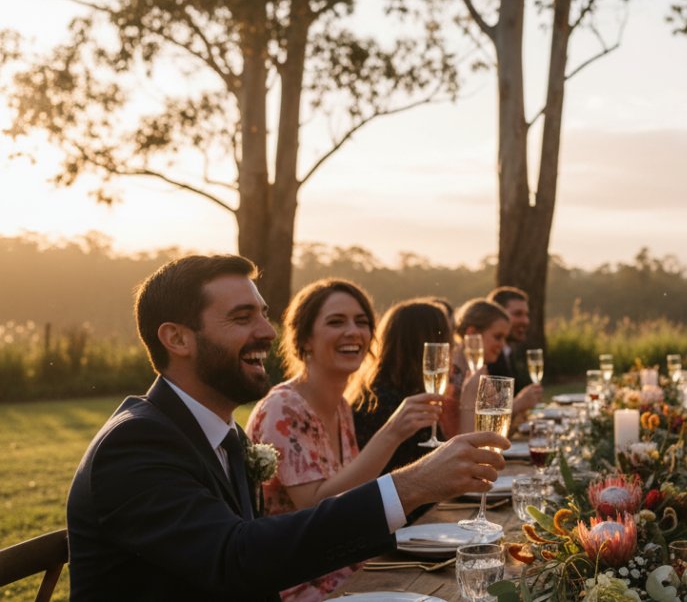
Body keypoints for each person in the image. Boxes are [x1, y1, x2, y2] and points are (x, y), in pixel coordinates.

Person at [67, 255, 509, 601]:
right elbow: (237, 558)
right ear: (177, 338)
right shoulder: (134, 444)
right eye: (243, 318)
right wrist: (410, 485)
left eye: (263, 314)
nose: (266, 330)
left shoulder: (224, 434)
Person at [247, 279, 442, 601]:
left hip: (349, 568)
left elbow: (348, 494)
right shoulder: (283, 408)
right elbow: (315, 507)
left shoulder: (341, 406)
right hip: (300, 581)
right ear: (304, 339)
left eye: (362, 322)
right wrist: (392, 433)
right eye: (336, 321)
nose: (353, 331)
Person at [351, 299, 454, 475]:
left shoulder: (376, 391)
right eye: (448, 341)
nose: (454, 349)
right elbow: (447, 472)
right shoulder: (397, 406)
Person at [441, 298, 540, 436]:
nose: (502, 344)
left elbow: (495, 432)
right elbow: (455, 439)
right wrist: (516, 405)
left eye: (505, 338)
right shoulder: (452, 376)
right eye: (498, 337)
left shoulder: (479, 371)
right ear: (472, 334)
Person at [485, 287, 542, 411]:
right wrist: (519, 403)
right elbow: (489, 414)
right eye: (518, 314)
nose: (526, 321)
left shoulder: (508, 352)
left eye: (527, 315)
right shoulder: (487, 359)